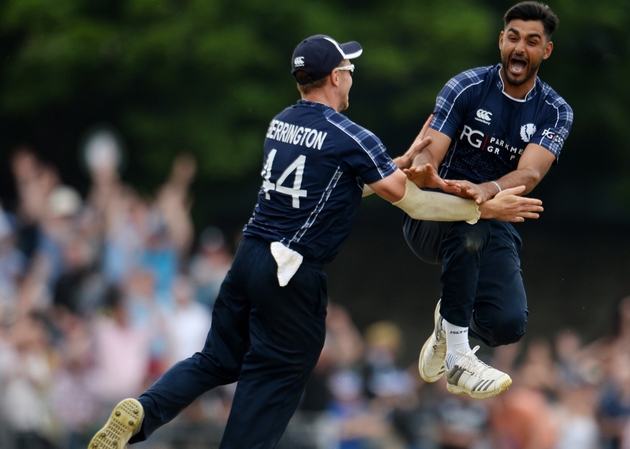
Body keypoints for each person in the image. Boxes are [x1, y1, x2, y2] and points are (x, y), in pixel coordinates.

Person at [87, 34, 544, 449]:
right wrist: (483, 208)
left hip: (248, 258)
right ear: (334, 77)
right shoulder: (350, 134)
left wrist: (395, 163)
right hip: (292, 272)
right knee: (278, 375)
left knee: (216, 359)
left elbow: (338, 184)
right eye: (348, 70)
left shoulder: (281, 122)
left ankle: (146, 410)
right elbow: (416, 205)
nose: (351, 78)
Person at [408, 1, 574, 399]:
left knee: (508, 325)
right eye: (513, 38)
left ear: (545, 50)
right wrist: (427, 171)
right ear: (501, 41)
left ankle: (447, 327)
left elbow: (531, 172)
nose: (520, 48)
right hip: (434, 215)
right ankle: (459, 362)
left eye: (532, 42)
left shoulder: (555, 110)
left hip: (495, 214)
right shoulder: (465, 86)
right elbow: (430, 150)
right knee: (471, 227)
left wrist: (488, 189)